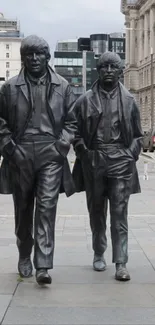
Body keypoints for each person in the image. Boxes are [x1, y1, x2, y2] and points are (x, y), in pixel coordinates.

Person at [0, 35, 76, 285]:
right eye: (29, 54)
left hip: (50, 154)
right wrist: (10, 147)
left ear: (47, 57)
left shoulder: (63, 86)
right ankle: (24, 253)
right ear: (23, 58)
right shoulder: (9, 87)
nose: (34, 59)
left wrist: (62, 145)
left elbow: (72, 121)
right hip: (20, 152)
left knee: (46, 208)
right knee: (23, 210)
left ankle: (43, 264)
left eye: (39, 54)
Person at [72, 52, 142, 281]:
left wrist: (129, 155)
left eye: (113, 66)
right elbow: (73, 129)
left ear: (120, 70)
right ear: (98, 70)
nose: (109, 70)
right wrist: (84, 153)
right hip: (95, 160)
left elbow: (138, 136)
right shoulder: (84, 100)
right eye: (104, 67)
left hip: (120, 161)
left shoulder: (130, 100)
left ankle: (121, 262)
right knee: (97, 212)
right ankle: (99, 252)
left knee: (119, 214)